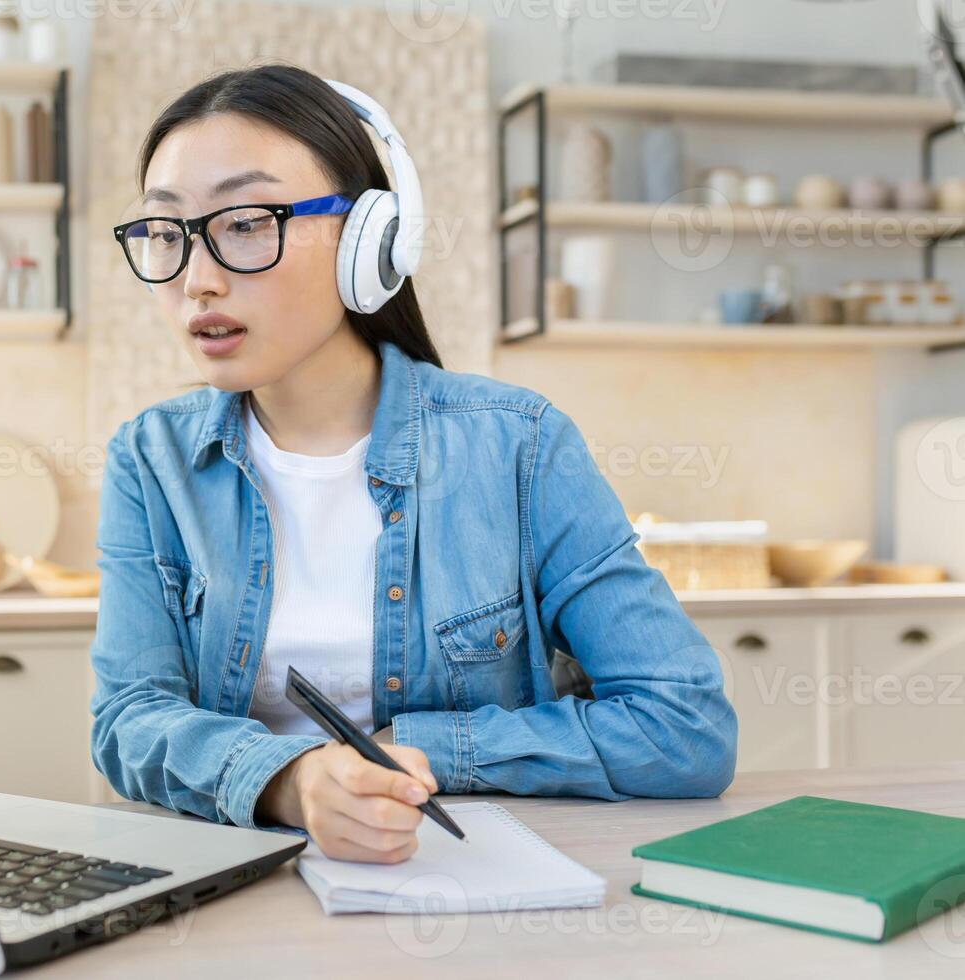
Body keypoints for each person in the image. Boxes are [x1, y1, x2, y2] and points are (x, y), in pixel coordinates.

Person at [89, 63, 737, 864]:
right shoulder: (152, 462)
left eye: (247, 221)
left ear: (372, 239)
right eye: (165, 230)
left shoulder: (520, 446)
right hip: (239, 883)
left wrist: (418, 748)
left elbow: (685, 728)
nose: (197, 278)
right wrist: (289, 780)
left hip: (466, 881)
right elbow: (128, 719)